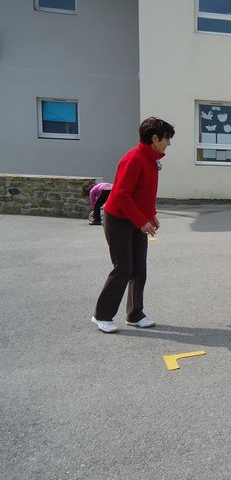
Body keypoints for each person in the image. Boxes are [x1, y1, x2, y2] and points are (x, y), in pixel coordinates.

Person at [91, 117, 175, 333]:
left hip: (136, 220)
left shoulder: (151, 159)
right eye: (167, 138)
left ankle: (135, 314)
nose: (169, 143)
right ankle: (101, 315)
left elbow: (146, 193)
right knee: (123, 268)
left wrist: (151, 215)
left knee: (139, 269)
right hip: (118, 220)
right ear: (155, 138)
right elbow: (122, 195)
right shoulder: (134, 158)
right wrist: (141, 221)